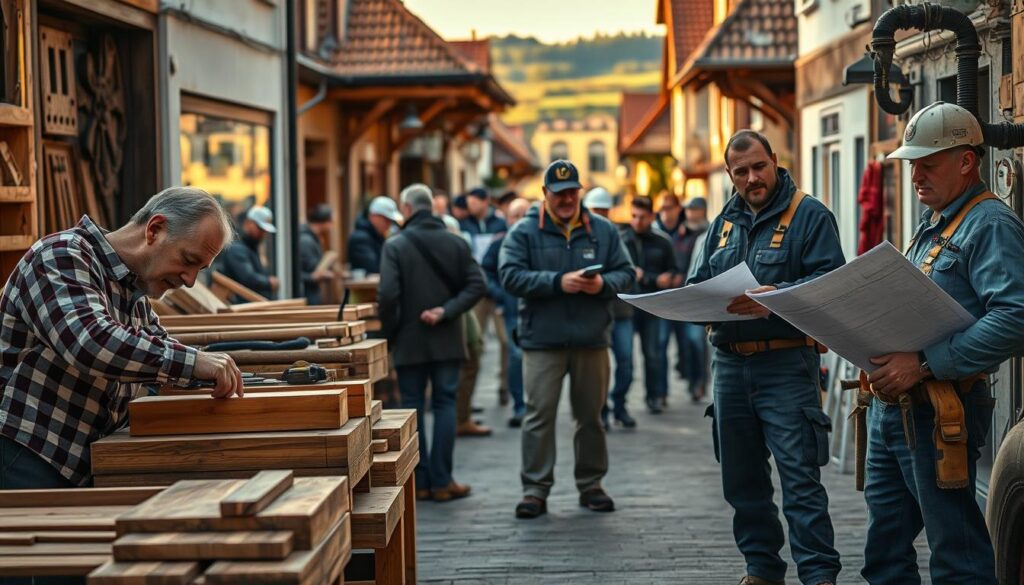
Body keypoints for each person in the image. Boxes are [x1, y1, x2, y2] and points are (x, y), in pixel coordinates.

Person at [861, 102, 1024, 584]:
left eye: (927, 164)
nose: (916, 176)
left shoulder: (990, 224)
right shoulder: (935, 223)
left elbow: (1016, 317)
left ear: (966, 161)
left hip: (940, 411)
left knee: (958, 557)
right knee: (884, 557)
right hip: (895, 407)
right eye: (912, 164)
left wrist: (926, 364)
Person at [0, 187, 244, 491]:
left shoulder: (133, 293)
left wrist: (226, 375)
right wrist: (195, 362)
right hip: (27, 456)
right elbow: (90, 343)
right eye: (188, 259)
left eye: (200, 269)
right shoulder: (61, 256)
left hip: (79, 463)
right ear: (154, 229)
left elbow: (162, 361)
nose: (190, 281)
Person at [687, 130, 844, 585]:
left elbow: (832, 286)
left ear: (775, 160)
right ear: (729, 174)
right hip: (730, 369)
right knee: (741, 480)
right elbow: (699, 281)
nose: (752, 178)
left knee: (800, 482)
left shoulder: (810, 215)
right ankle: (762, 569)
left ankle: (819, 575)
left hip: (786, 367)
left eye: (759, 166)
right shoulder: (723, 223)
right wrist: (692, 303)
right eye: (741, 171)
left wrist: (779, 297)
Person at [499, 160, 635, 519]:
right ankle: (535, 490)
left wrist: (603, 285)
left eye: (572, 191)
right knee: (538, 416)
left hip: (591, 339)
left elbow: (626, 273)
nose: (567, 198)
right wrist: (557, 282)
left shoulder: (603, 231)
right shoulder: (524, 233)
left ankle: (591, 485)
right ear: (545, 194)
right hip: (542, 340)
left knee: (591, 417)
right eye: (559, 193)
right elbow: (509, 276)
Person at [378, 183, 486, 502]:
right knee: (445, 404)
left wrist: (391, 333)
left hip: (409, 339)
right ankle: (443, 481)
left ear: (408, 209)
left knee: (412, 406)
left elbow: (387, 296)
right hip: (447, 336)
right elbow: (477, 285)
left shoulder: (395, 246)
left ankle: (420, 482)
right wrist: (446, 311)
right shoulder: (456, 243)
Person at [583, 187, 638, 429]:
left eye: (604, 210)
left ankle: (620, 404)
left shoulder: (618, 237)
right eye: (596, 211)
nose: (600, 215)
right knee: (599, 368)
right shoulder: (581, 237)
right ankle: (601, 409)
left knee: (625, 362)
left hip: (621, 311)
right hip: (594, 313)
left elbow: (629, 272)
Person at [481, 197, 532, 427]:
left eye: (524, 214)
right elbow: (485, 272)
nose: (519, 219)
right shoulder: (499, 243)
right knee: (516, 355)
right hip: (510, 310)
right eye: (515, 215)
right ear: (508, 218)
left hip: (535, 311)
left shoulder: (537, 241)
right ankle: (519, 405)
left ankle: (535, 404)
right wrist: (499, 293)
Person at [624, 196, 678, 415]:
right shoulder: (621, 239)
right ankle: (619, 403)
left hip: (653, 306)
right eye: (634, 216)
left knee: (654, 354)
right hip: (626, 307)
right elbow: (628, 273)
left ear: (651, 216)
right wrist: (653, 279)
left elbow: (673, 271)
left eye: (642, 217)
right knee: (625, 358)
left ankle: (654, 396)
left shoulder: (662, 241)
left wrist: (650, 277)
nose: (637, 221)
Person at [460, 187, 512, 410]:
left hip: (498, 289)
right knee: (475, 343)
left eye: (473, 203)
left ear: (485, 202)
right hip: (477, 291)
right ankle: (468, 399)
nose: (470, 207)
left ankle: (504, 387)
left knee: (506, 341)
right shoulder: (465, 224)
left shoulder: (500, 224)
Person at [658, 194, 711, 401]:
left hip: (696, 297)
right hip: (673, 295)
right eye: (688, 209)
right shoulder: (679, 234)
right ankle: (665, 390)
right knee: (667, 344)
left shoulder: (711, 233)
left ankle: (698, 381)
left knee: (695, 341)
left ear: (703, 211)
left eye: (695, 209)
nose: (691, 213)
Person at [219, 205, 278, 301]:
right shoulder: (237, 247)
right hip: (241, 307)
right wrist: (269, 282)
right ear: (248, 223)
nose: (263, 233)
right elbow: (247, 278)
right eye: (260, 228)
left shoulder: (250, 245)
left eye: (264, 230)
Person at [347, 196, 403, 274]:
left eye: (390, 221)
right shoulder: (360, 238)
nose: (389, 225)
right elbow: (374, 268)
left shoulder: (376, 236)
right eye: (386, 220)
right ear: (374, 216)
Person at [299, 203, 336, 305]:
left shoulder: (313, 238)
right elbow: (309, 269)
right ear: (323, 221)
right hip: (307, 295)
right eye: (330, 221)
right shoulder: (306, 240)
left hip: (311, 293)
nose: (332, 226)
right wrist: (315, 276)